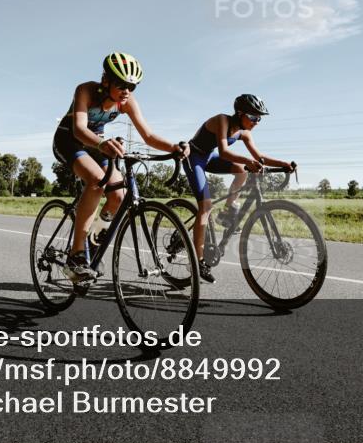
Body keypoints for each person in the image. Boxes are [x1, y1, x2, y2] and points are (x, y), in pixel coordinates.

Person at [53, 52, 188, 281]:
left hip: (98, 145)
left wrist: (173, 147)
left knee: (118, 194)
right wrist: (103, 143)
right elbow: (79, 129)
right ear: (106, 80)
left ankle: (94, 237)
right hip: (70, 141)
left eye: (132, 86)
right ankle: (76, 255)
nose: (127, 90)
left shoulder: (126, 102)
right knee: (97, 181)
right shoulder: (85, 90)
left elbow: (149, 135)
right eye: (122, 84)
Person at [184, 94, 295, 283]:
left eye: (259, 118)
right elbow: (224, 152)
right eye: (253, 117)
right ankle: (199, 261)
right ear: (239, 113)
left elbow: (260, 157)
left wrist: (284, 163)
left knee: (241, 170)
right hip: (194, 158)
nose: (256, 122)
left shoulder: (244, 133)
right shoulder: (222, 120)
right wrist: (248, 161)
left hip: (209, 158)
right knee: (206, 206)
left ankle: (228, 209)